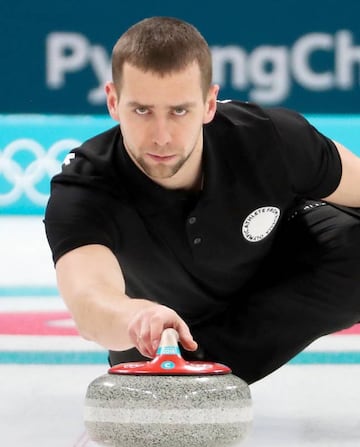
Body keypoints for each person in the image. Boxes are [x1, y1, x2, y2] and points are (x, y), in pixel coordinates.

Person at [44, 16, 360, 384]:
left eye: (180, 111)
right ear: (113, 102)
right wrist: (136, 319)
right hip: (161, 337)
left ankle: (204, 374)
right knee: (153, 363)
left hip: (281, 271)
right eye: (142, 110)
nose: (161, 136)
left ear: (209, 104)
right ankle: (184, 374)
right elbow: (89, 299)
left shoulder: (268, 138)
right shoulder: (86, 187)